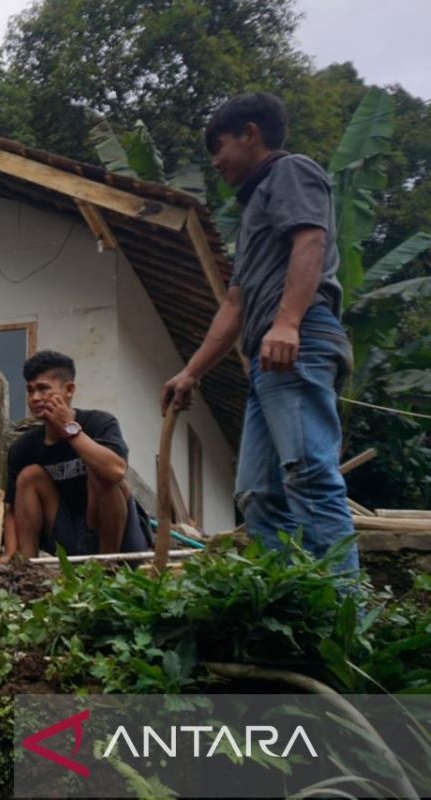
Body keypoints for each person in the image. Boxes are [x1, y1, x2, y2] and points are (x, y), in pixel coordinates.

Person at [162, 92, 357, 572]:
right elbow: (235, 304)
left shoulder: (291, 172)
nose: (215, 159)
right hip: (268, 360)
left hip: (299, 340)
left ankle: (341, 613)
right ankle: (286, 603)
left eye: (220, 144)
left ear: (251, 134)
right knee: (259, 494)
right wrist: (190, 373)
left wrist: (288, 322)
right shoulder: (253, 213)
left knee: (308, 472)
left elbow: (311, 239)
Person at [1, 351, 150, 560]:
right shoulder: (24, 447)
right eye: (30, 390)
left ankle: (108, 567)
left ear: (69, 389)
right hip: (69, 538)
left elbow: (116, 472)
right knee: (29, 476)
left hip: (120, 540)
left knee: (99, 471)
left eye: (43, 389)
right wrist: (9, 552)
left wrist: (68, 429)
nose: (35, 398)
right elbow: (12, 510)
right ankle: (27, 565)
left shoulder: (99, 423)